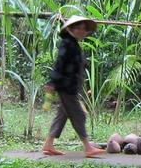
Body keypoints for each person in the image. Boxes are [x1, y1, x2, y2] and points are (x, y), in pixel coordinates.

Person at [42, 15, 101, 158]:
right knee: (78, 115)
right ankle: (87, 147)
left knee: (62, 115)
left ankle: (48, 144)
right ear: (70, 28)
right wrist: (52, 82)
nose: (82, 31)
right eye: (78, 28)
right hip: (66, 87)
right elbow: (59, 64)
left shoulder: (73, 44)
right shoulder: (67, 43)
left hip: (70, 86)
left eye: (84, 29)